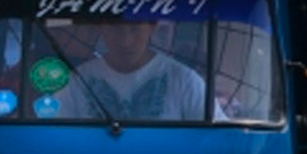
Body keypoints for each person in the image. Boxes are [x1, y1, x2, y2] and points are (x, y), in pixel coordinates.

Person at [53, 20, 209, 121]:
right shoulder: (77, 81)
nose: (125, 41)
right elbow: (55, 139)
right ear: (102, 27)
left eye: (135, 29)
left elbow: (215, 135)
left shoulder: (185, 80)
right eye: (115, 30)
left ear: (152, 27)